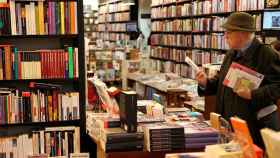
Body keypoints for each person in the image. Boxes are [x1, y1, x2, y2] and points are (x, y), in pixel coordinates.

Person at [195, 12, 280, 148]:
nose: (225, 36)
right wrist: (206, 83)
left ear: (243, 33)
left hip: (252, 128)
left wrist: (252, 94)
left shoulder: (267, 55)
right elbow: (222, 82)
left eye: (229, 32)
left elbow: (277, 87)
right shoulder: (231, 53)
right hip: (228, 125)